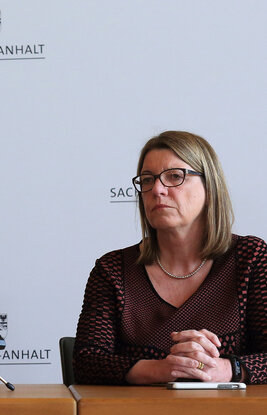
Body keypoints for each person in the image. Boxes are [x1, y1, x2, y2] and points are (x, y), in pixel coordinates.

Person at [74, 130, 267, 385]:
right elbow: (86, 361)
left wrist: (225, 368)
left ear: (209, 187)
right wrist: (166, 369)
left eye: (175, 176)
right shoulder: (112, 270)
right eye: (146, 180)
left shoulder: (251, 259)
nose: (157, 190)